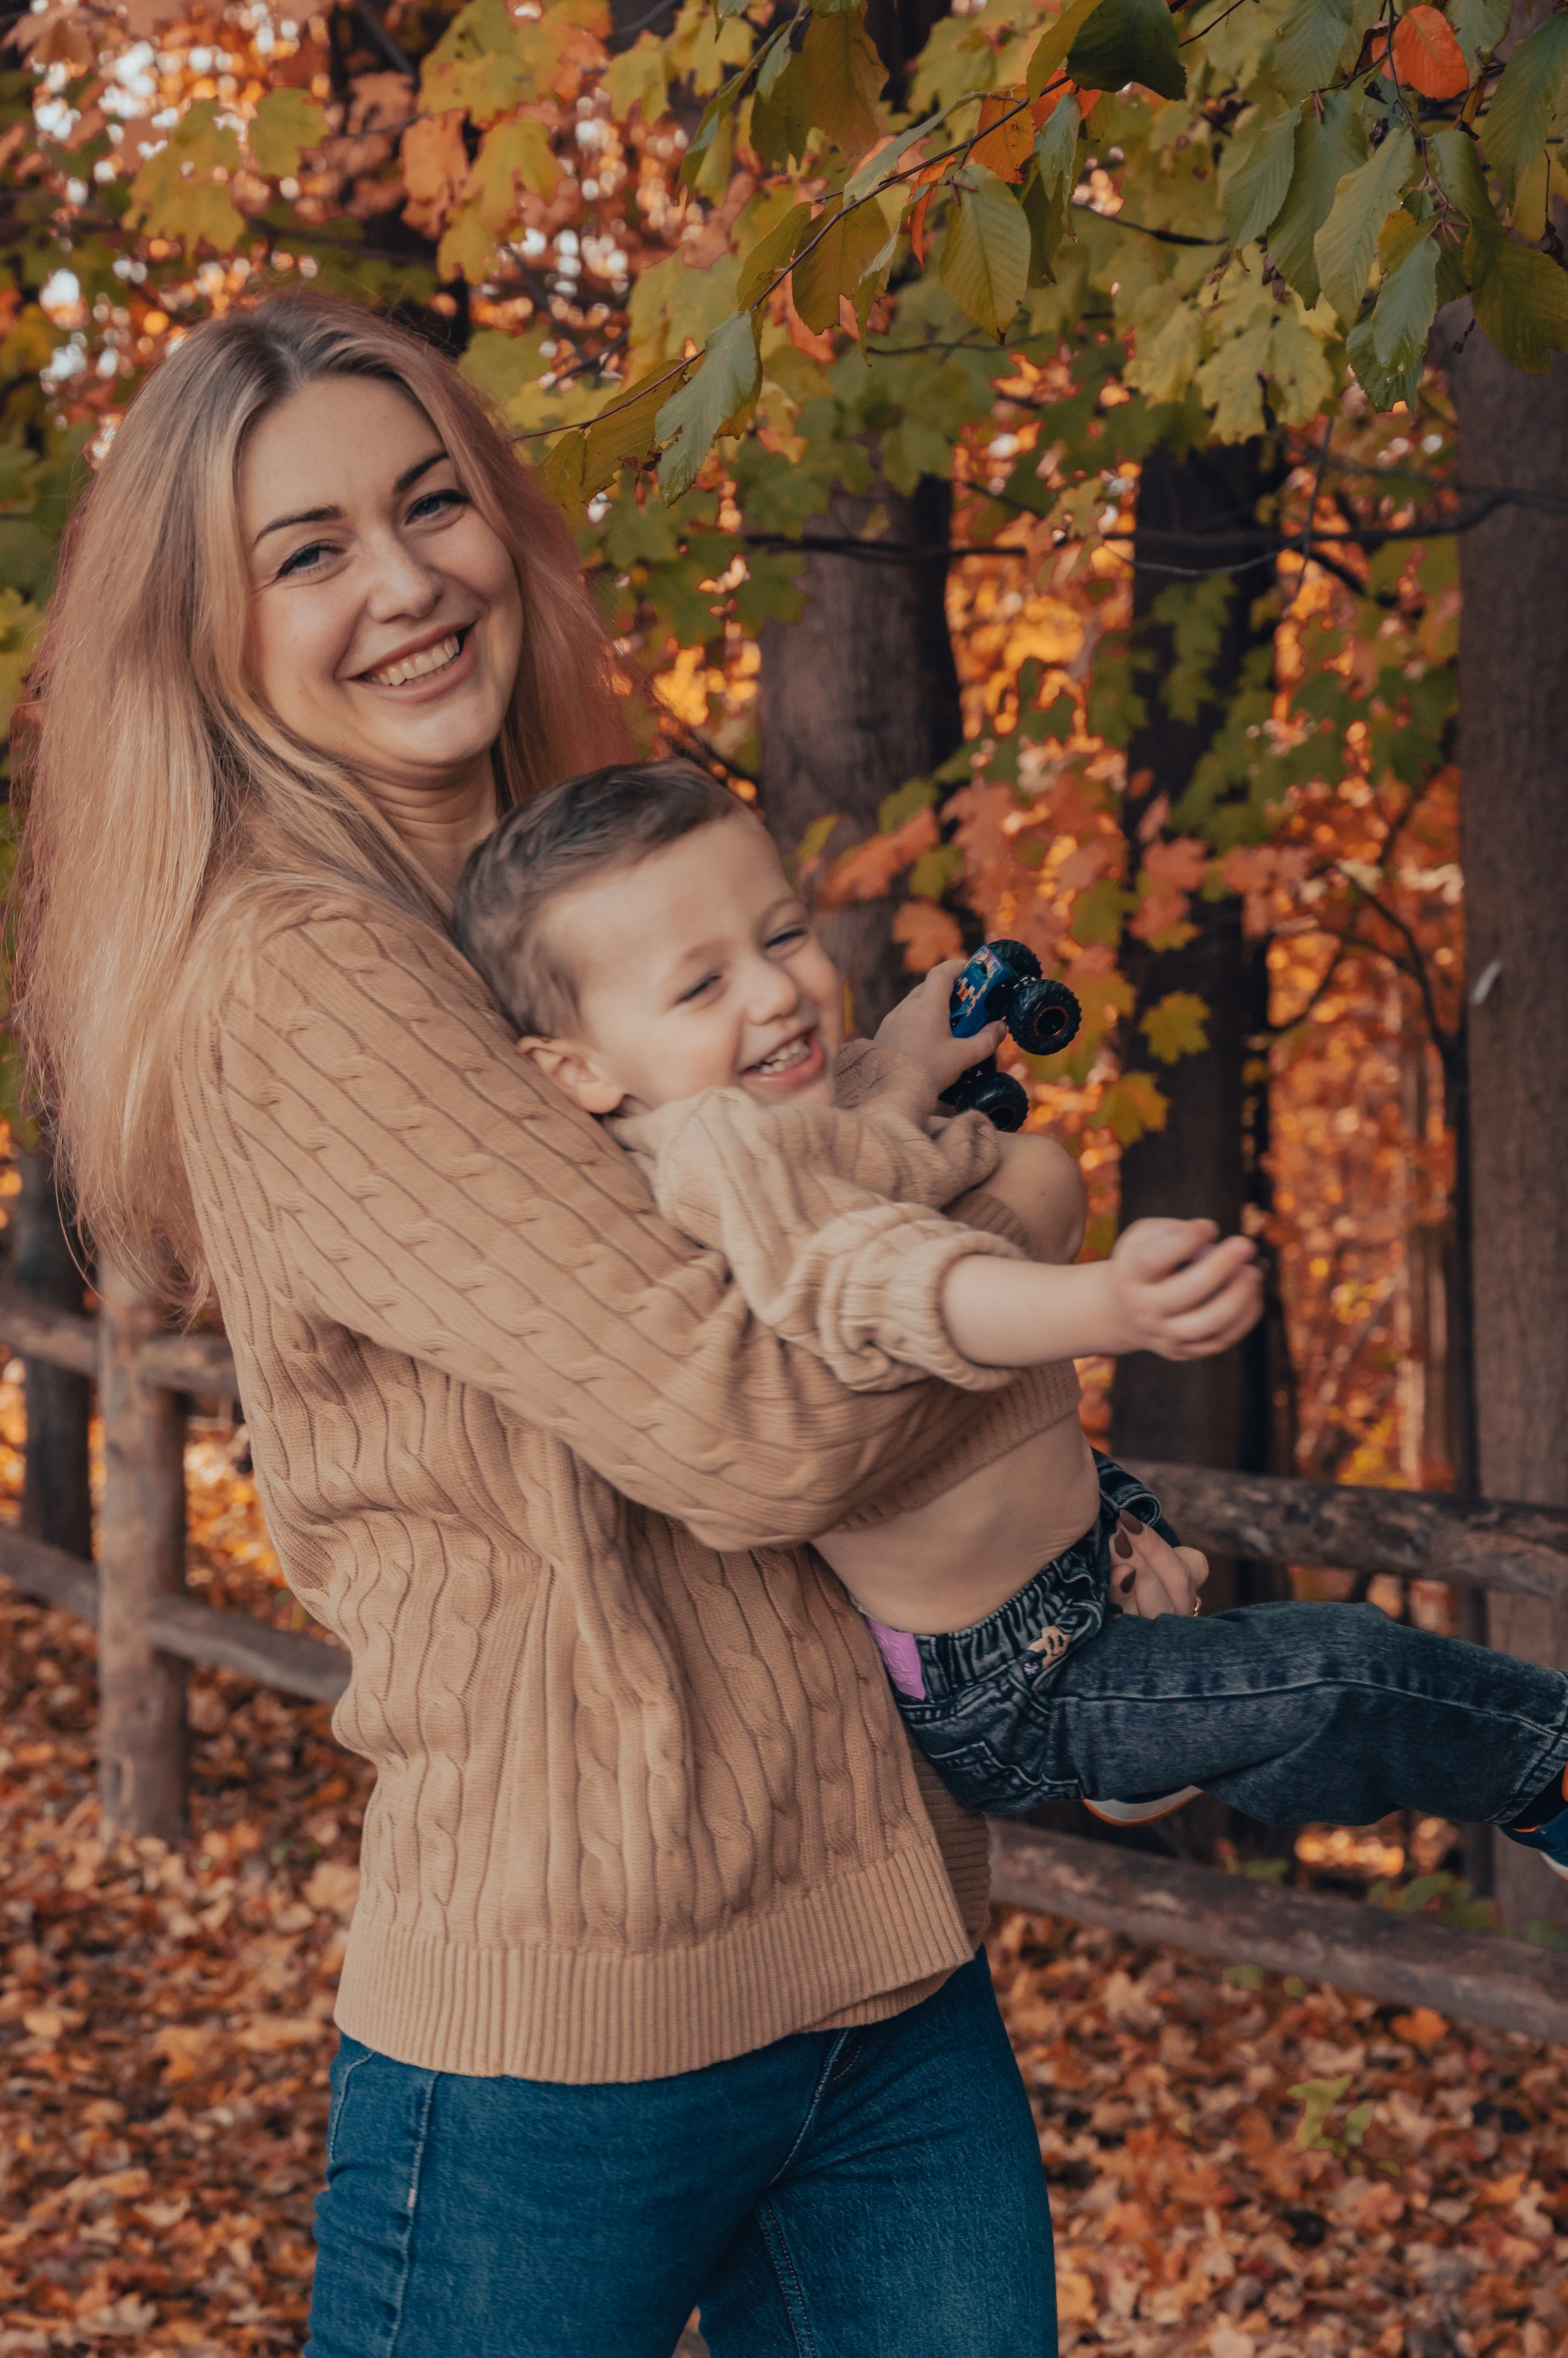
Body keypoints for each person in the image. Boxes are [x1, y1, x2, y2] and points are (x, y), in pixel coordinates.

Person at [11, 291, 1063, 2358]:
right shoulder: (300, 971)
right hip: (564, 2026)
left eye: (429, 500)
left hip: (882, 1962)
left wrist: (922, 1180)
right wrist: (1006, 1238)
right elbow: (745, 1412)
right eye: (305, 550)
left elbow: (815, 1236)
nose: (402, 579)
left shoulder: (585, 911)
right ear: (205, 627)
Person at [451, 757, 1568, 1880]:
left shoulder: (778, 1105)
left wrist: (903, 1062)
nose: (775, 993)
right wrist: (1105, 1303)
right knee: (1337, 1673)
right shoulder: (718, 1149)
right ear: (576, 1068)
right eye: (702, 987)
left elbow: (858, 1142)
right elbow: (876, 1273)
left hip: (1072, 1555)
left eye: (782, 937)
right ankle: (1552, 1773)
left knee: (1287, 1700)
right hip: (1016, 1676)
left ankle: (1156, 1752)